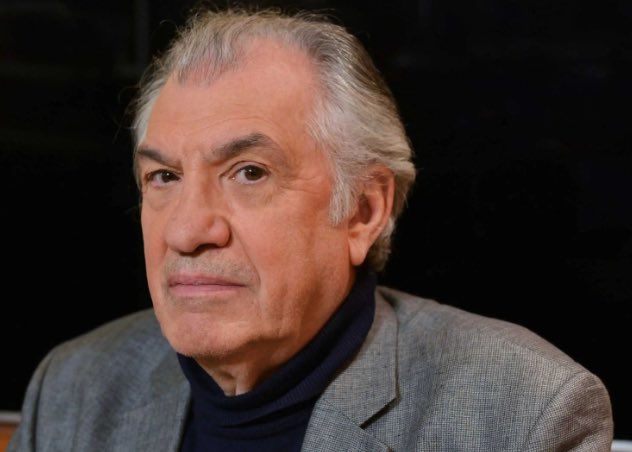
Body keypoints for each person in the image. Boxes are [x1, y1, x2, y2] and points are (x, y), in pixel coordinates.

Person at [8, 6, 613, 452]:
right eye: (164, 176)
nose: (186, 232)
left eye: (249, 172)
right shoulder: (74, 385)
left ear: (364, 211)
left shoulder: (523, 413)